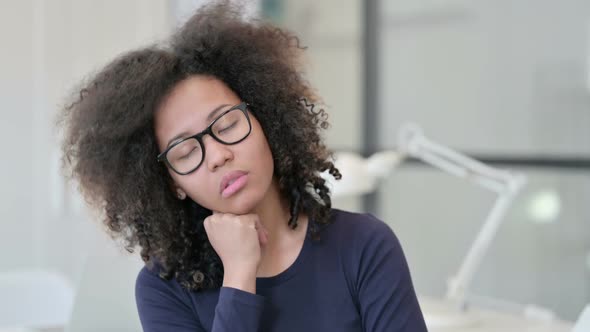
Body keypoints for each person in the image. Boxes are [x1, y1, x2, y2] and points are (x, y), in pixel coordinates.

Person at [59, 2, 427, 331]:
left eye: (227, 125)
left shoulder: (363, 246)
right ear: (172, 183)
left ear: (265, 119)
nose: (218, 155)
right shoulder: (164, 288)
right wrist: (238, 275)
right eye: (186, 152)